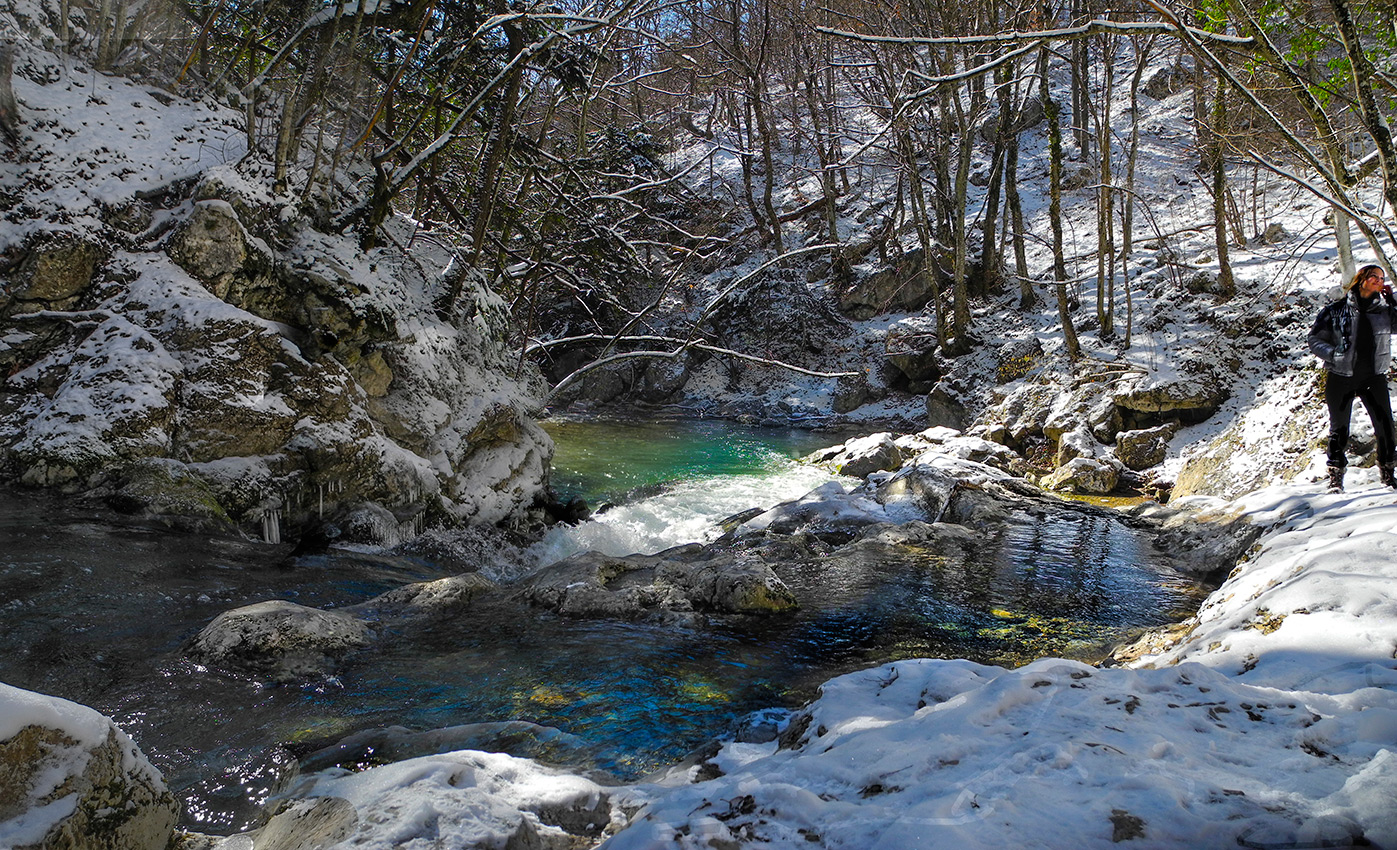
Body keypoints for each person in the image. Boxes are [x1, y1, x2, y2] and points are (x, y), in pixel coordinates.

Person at [1308, 263, 1397, 492]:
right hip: (1341, 377)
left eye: (1382, 278)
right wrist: (1333, 355)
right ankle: (1336, 478)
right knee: (1339, 429)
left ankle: (1388, 475)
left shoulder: (1385, 310)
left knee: (1385, 426)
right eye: (1374, 277)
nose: (1379, 281)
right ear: (1362, 279)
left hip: (1373, 377)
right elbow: (1315, 340)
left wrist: (1393, 301)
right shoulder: (1335, 309)